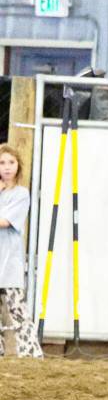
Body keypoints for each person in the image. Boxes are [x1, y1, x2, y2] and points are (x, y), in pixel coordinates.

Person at [0, 144, 43, 358]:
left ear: (18, 166)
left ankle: (31, 353)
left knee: (17, 310)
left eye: (11, 162)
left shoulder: (21, 194)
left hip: (8, 262)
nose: (7, 167)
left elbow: (5, 221)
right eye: (2, 163)